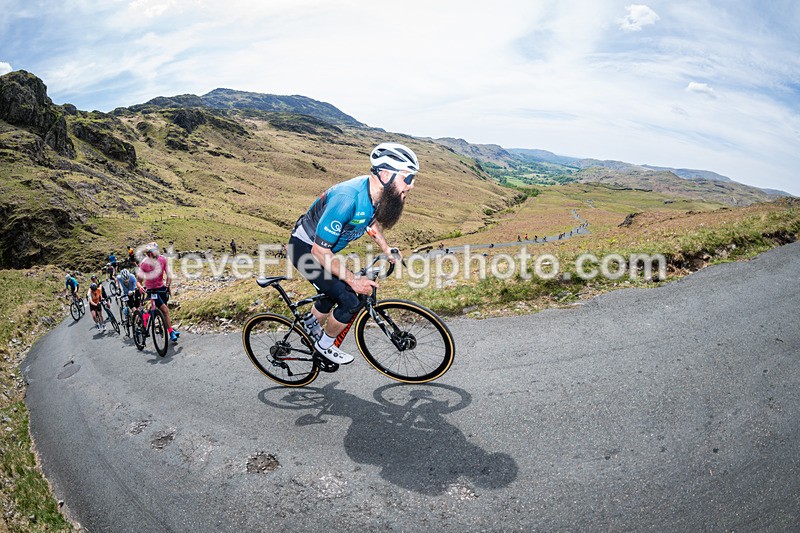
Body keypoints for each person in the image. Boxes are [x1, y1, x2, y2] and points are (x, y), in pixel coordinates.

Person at [288, 142, 417, 365]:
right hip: (305, 250)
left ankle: (311, 324)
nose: (411, 185)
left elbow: (372, 223)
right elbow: (319, 251)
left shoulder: (377, 193)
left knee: (331, 293)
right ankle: (324, 346)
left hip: (322, 250)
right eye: (407, 178)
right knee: (349, 300)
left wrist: (386, 248)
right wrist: (353, 280)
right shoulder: (347, 199)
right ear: (385, 174)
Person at [137, 242, 180, 343]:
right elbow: (138, 281)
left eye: (151, 253)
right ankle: (171, 332)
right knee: (164, 310)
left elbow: (169, 274)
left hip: (161, 288)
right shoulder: (144, 264)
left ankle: (146, 316)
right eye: (148, 254)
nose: (150, 256)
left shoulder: (162, 259)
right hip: (151, 290)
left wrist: (168, 285)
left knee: (164, 311)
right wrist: (140, 287)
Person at [117, 268, 143, 335]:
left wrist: (132, 291)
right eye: (124, 280)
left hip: (133, 291)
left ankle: (138, 320)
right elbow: (117, 280)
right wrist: (118, 289)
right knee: (133, 309)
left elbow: (135, 287)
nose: (126, 281)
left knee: (138, 307)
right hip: (126, 293)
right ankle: (135, 323)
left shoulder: (132, 277)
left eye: (127, 279)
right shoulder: (119, 277)